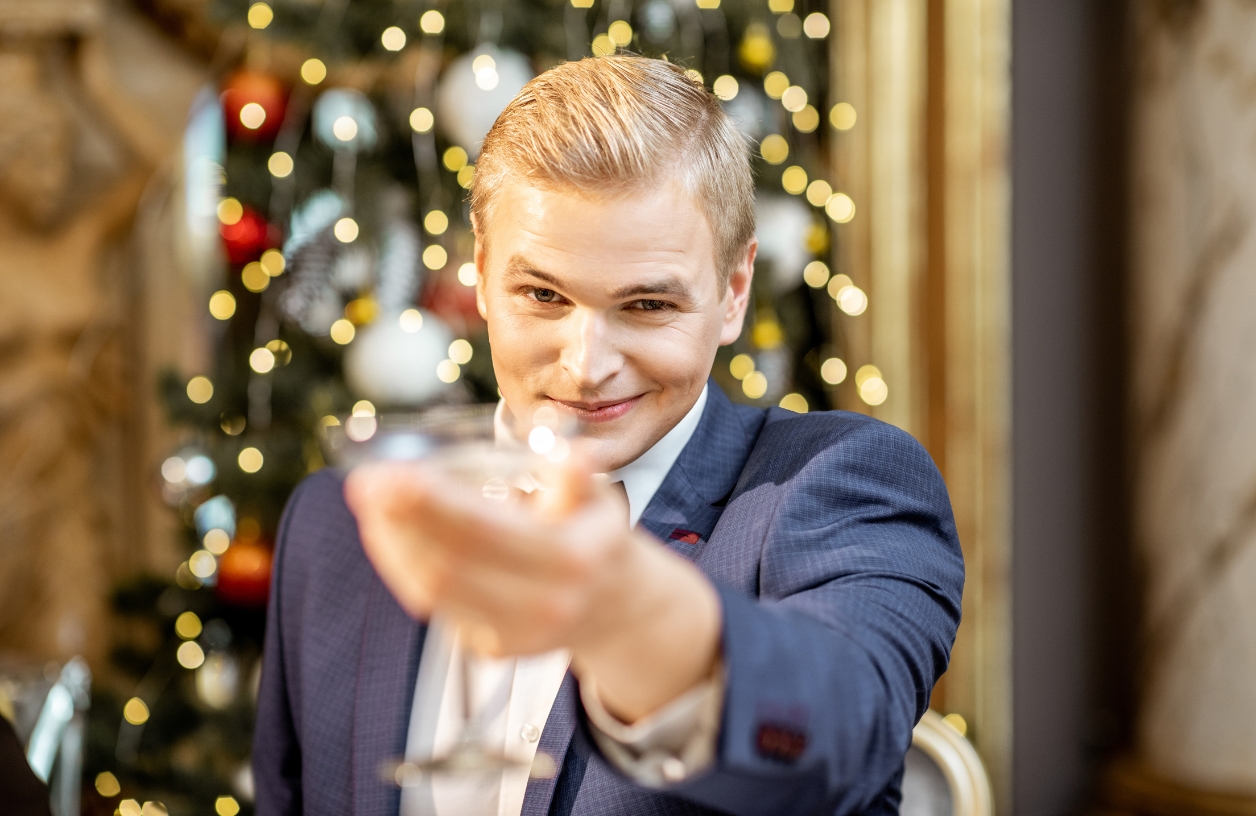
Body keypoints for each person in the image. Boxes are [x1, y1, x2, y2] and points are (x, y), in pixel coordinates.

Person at [253, 56, 964, 816]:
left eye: (648, 305)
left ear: (732, 292)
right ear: (484, 274)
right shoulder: (335, 521)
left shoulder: (845, 483)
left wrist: (622, 608)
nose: (586, 366)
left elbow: (843, 736)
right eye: (543, 294)